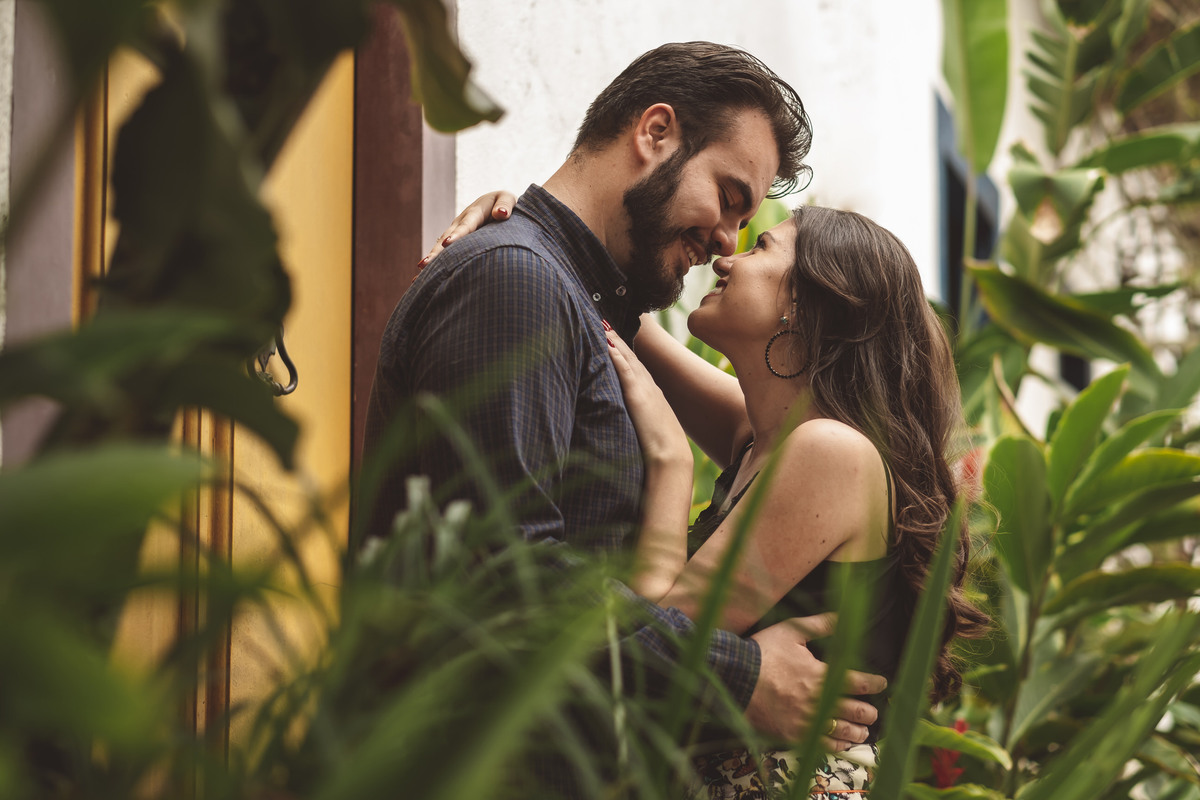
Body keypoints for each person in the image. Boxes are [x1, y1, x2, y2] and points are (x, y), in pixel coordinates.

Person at [363, 41, 886, 797]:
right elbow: (510, 583)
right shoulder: (513, 280)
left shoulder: (558, 289)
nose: (725, 245)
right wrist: (742, 678)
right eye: (731, 198)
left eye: (753, 228)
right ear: (656, 134)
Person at [433, 199, 989, 798]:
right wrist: (522, 228)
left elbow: (659, 649)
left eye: (761, 249)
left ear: (805, 302)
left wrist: (672, 462)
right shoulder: (768, 438)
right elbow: (601, 301)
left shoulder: (831, 452)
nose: (729, 257)